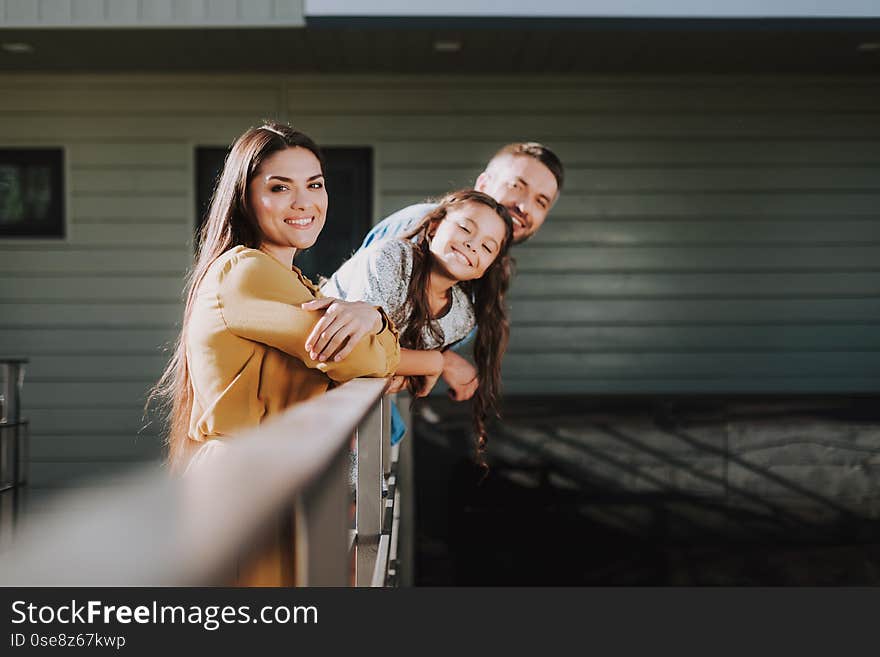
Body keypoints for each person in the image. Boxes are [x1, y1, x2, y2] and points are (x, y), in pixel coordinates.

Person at [149, 122, 400, 473]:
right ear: (244, 197)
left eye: (315, 185)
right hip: (243, 476)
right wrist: (377, 322)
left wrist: (370, 317)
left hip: (271, 473)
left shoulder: (290, 280)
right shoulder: (246, 272)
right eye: (280, 187)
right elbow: (356, 356)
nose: (304, 203)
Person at [359, 142, 564, 401]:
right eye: (516, 186)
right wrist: (439, 362)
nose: (524, 206)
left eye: (540, 201)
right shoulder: (422, 229)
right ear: (484, 183)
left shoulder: (484, 264)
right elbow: (366, 333)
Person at [320, 189, 514, 463]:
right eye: (465, 228)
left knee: (351, 497)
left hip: (354, 422)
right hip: (299, 392)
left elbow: (395, 376)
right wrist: (436, 362)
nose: (472, 244)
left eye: (487, 247)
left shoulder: (460, 317)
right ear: (434, 227)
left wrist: (413, 367)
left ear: (486, 267)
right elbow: (354, 354)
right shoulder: (389, 258)